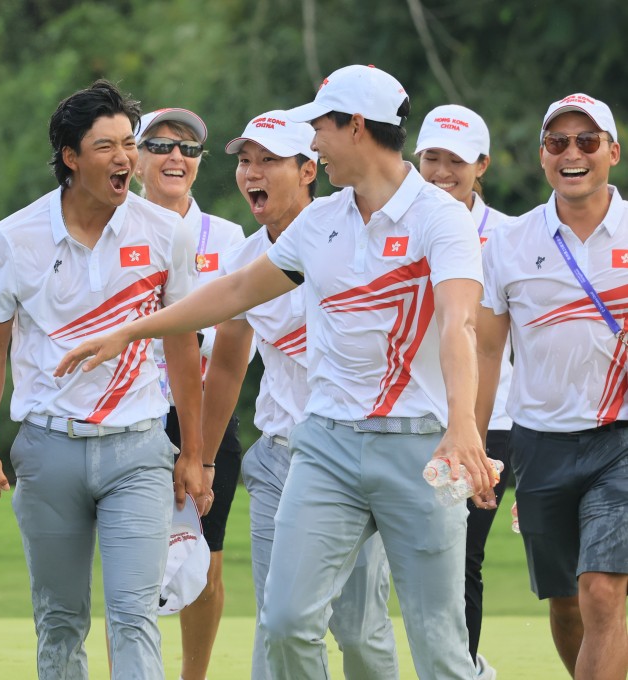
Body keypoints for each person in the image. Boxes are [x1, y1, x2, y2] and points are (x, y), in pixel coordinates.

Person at [56, 64, 499, 679]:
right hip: (326, 447)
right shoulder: (322, 221)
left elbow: (459, 324)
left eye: (322, 128)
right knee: (286, 622)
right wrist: (133, 329)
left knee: (438, 646)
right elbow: (237, 291)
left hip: (417, 445)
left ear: (357, 126)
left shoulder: (440, 218)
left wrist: (462, 425)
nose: (315, 142)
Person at [0, 80, 206, 680]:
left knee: (134, 615)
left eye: (129, 144)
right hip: (48, 448)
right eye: (106, 146)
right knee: (59, 621)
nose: (125, 158)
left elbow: (183, 344)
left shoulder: (166, 232)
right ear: (71, 157)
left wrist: (193, 451)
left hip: (139, 449)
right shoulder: (13, 237)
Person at [201, 110, 398, 679]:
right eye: (245, 161)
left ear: (309, 170)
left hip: (354, 455)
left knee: (359, 630)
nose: (251, 173)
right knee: (278, 624)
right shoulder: (244, 259)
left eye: (269, 160)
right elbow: (228, 364)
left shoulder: (356, 237)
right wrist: (204, 458)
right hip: (280, 458)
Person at [476, 93, 628, 680]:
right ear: (542, 155)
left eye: (587, 141)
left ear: (612, 152)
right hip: (539, 442)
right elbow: (487, 350)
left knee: (602, 592)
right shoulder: (509, 241)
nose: (572, 154)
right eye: (557, 142)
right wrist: (473, 441)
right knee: (566, 603)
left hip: (619, 438)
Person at [132, 107, 246, 680]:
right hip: (131, 412)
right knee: (133, 568)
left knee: (206, 561)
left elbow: (234, 345)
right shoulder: (115, 228)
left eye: (188, 149)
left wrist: (201, 451)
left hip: (203, 412)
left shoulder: (227, 238)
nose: (175, 157)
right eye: (159, 145)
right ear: (134, 160)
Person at [415, 104, 513, 680]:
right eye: (431, 158)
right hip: (411, 416)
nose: (442, 171)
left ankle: (465, 668)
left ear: (482, 165)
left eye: (457, 160)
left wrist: (473, 430)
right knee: (425, 559)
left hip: (489, 421)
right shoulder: (398, 224)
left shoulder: (509, 236)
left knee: (461, 557)